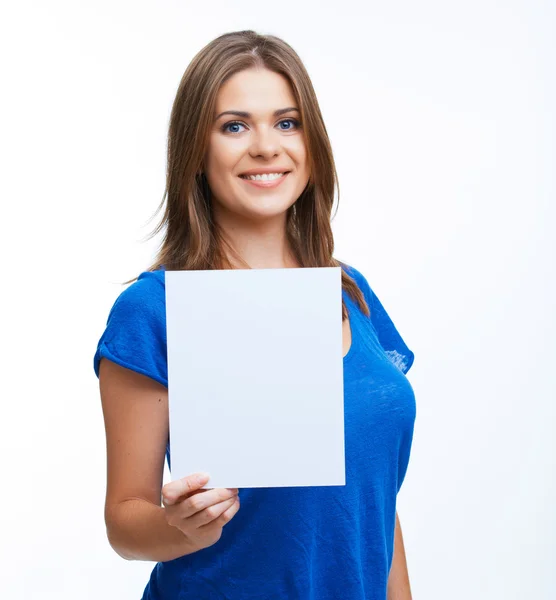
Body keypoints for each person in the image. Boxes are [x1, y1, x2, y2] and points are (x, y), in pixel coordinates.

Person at [93, 30, 416, 600]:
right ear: (196, 149)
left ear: (312, 143)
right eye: (234, 125)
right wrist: (179, 525)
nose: (267, 146)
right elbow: (124, 520)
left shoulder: (351, 292)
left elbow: (376, 505)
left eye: (287, 123)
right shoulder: (153, 311)